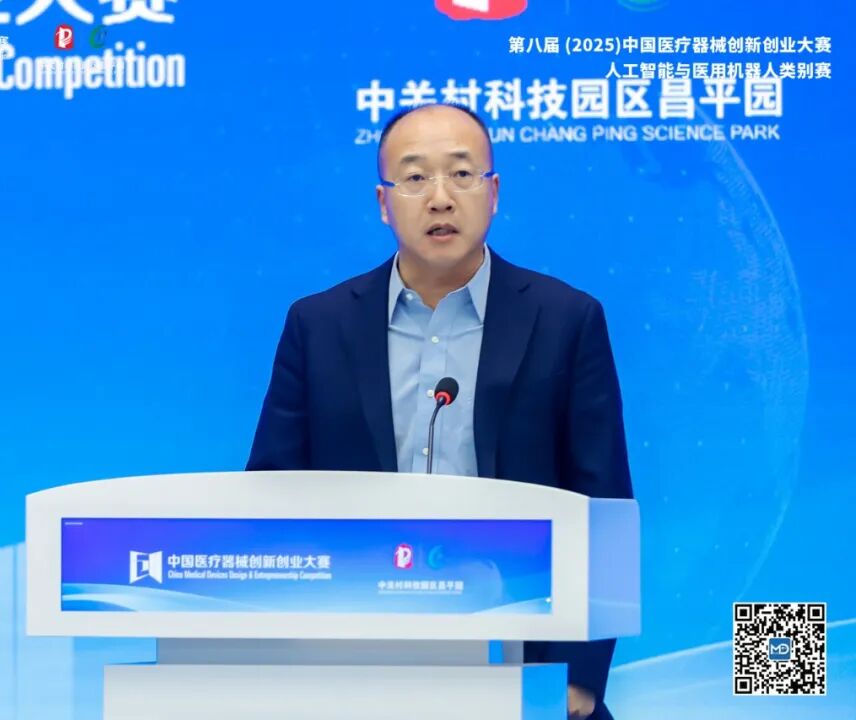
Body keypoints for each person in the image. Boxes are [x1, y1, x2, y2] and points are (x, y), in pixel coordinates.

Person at [246, 102, 633, 720]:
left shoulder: (565, 319)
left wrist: (580, 680)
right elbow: (269, 498)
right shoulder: (318, 325)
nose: (440, 198)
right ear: (383, 202)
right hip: (353, 664)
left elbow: (604, 504)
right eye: (415, 177)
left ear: (494, 193)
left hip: (527, 666)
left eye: (461, 173)